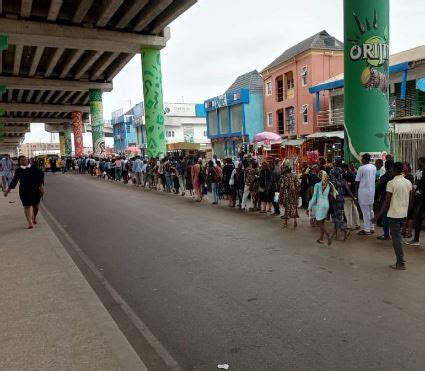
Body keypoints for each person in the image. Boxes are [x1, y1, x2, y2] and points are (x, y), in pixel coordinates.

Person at [374, 162, 413, 270]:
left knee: (396, 238)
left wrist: (378, 216)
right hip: (403, 214)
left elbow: (386, 202)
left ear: (395, 170)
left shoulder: (391, 183)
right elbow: (411, 200)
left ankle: (400, 263)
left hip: (394, 214)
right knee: (397, 237)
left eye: (391, 169)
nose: (390, 171)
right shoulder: (408, 182)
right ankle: (400, 260)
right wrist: (407, 213)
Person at [4, 156, 44, 229]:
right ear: (19, 162)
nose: (24, 161)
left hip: (35, 190)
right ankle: (30, 222)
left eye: (25, 159)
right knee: (27, 206)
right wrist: (7, 191)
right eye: (22, 160)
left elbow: (40, 178)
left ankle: (34, 217)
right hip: (24, 191)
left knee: (36, 206)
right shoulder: (19, 170)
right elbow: (14, 181)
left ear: (28, 160)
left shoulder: (34, 168)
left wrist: (41, 187)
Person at [308, 170, 335, 245]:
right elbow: (335, 194)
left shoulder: (317, 185)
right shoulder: (329, 184)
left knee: (318, 222)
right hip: (326, 204)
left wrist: (309, 207)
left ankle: (328, 234)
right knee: (322, 222)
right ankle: (321, 239)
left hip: (320, 204)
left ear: (320, 176)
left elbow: (314, 198)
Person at [330, 159, 352, 241]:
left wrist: (332, 194)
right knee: (339, 214)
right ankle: (336, 234)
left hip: (335, 196)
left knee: (336, 215)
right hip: (342, 196)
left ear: (335, 163)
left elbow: (333, 184)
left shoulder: (332, 171)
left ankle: (345, 230)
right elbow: (346, 185)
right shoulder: (343, 172)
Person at [405, 157, 425, 247]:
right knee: (417, 218)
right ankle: (415, 239)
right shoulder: (420, 170)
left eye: (420, 162)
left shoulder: (424, 171)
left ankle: (416, 239)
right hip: (419, 196)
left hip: (421, 197)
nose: (419, 163)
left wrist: (417, 190)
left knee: (418, 218)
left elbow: (421, 184)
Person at [355, 153, 376, 235]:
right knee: (371, 210)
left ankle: (367, 229)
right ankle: (372, 227)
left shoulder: (361, 168)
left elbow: (357, 181)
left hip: (363, 192)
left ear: (363, 159)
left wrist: (356, 192)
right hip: (371, 191)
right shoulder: (373, 167)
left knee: (365, 211)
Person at [375, 159, 394, 240]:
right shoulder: (394, 177)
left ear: (385, 166)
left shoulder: (383, 177)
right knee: (393, 217)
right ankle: (392, 233)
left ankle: (386, 235)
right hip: (394, 199)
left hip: (384, 199)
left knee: (385, 217)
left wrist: (378, 200)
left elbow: (379, 190)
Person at [342, 163, 360, 231]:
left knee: (347, 211)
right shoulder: (353, 174)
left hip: (348, 195)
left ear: (344, 168)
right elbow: (355, 185)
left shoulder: (346, 175)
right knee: (355, 210)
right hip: (353, 195)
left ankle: (349, 225)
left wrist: (353, 196)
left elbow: (347, 187)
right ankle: (357, 224)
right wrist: (355, 195)